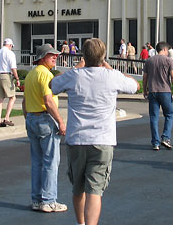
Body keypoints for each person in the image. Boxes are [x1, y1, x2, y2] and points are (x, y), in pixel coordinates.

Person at [51, 38, 139, 225]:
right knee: (95, 190)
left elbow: (53, 85)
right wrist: (109, 67)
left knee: (78, 187)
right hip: (102, 139)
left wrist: (76, 68)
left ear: (83, 55)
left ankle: (81, 223)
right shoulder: (111, 76)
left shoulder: (75, 75)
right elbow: (134, 86)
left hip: (77, 139)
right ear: (103, 56)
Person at [22, 44, 68, 213]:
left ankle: (36, 199)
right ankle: (49, 200)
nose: (55, 57)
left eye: (56, 55)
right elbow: (48, 101)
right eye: (51, 55)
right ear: (42, 57)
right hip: (44, 119)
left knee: (37, 162)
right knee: (51, 162)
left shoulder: (30, 75)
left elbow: (24, 101)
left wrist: (28, 118)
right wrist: (61, 122)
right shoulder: (45, 74)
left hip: (32, 118)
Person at [143, 42, 173, 150]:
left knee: (154, 117)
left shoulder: (149, 61)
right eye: (167, 50)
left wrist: (144, 90)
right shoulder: (169, 61)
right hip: (165, 91)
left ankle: (155, 142)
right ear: (163, 49)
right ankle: (165, 137)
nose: (168, 52)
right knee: (169, 115)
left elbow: (145, 77)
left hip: (153, 91)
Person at [0, 38, 21, 127]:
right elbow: (13, 67)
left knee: (0, 99)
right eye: (11, 46)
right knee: (12, 97)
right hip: (6, 75)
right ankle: (7, 118)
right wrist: (17, 78)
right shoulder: (10, 53)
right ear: (10, 45)